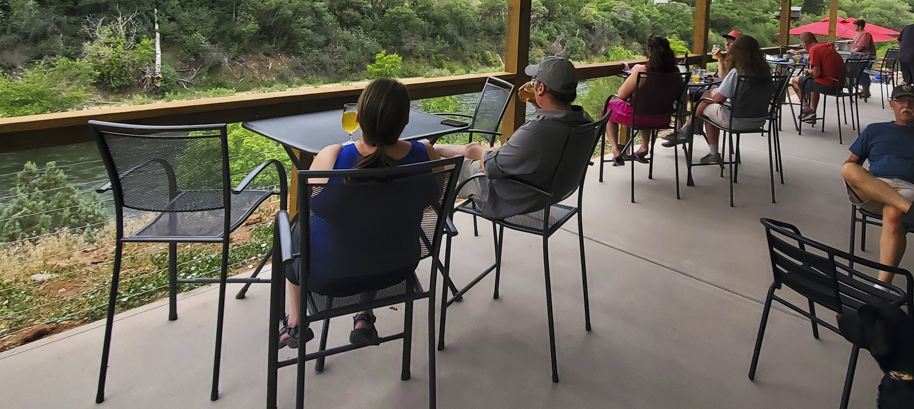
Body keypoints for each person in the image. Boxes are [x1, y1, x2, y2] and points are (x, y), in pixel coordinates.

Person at [280, 78, 443, 350]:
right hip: (397, 267)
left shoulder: (333, 156)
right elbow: (432, 197)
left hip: (328, 275)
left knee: (294, 231)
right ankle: (364, 315)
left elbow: (313, 206)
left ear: (358, 118)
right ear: (405, 120)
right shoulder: (425, 153)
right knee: (378, 226)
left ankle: (296, 321)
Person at [433, 56, 592, 219]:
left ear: (540, 88)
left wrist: (478, 150)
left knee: (441, 163)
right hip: (547, 191)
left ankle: (433, 221)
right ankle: (436, 148)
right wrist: (540, 105)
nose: (532, 83)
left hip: (510, 196)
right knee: (463, 151)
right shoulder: (584, 122)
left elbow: (489, 166)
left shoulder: (537, 131)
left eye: (534, 80)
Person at [841, 85, 914, 282]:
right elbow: (852, 162)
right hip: (873, 189)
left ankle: (882, 286)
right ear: (891, 104)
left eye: (912, 101)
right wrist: (864, 177)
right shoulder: (874, 130)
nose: (906, 105)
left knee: (893, 213)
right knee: (848, 169)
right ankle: (913, 212)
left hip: (911, 190)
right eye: (901, 101)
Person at [686, 34, 774, 165]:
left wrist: (713, 93)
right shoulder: (766, 73)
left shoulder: (737, 72)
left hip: (736, 119)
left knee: (707, 102)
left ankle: (702, 141)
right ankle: (690, 128)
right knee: (709, 101)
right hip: (759, 119)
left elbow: (718, 99)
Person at [603, 35, 681, 166]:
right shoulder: (675, 71)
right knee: (648, 107)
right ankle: (644, 147)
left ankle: (616, 150)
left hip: (639, 117)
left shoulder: (643, 71)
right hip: (664, 118)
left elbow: (621, 94)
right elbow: (682, 95)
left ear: (650, 50)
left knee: (609, 107)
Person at [791, 32, 844, 124]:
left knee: (794, 80)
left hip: (828, 86)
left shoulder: (815, 50)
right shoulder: (826, 46)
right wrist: (798, 52)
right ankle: (812, 113)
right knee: (814, 83)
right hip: (838, 84)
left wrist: (807, 71)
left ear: (804, 43)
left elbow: (816, 73)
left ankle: (806, 109)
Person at [850, 19, 876, 100]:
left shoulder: (865, 34)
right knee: (857, 71)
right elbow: (853, 42)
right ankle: (863, 88)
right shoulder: (858, 34)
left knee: (863, 72)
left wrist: (852, 52)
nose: (854, 27)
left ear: (860, 26)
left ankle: (866, 91)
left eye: (855, 25)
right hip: (859, 57)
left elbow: (861, 46)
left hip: (865, 58)